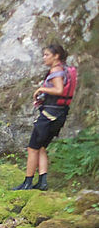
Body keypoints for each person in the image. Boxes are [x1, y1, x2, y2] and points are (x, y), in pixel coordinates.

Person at [12, 43, 75, 191]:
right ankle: (42, 182)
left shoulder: (56, 71)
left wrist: (41, 89)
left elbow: (59, 90)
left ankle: (27, 183)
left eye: (47, 55)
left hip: (49, 116)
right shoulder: (64, 70)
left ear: (56, 56)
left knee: (32, 148)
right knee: (40, 148)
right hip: (59, 115)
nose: (44, 58)